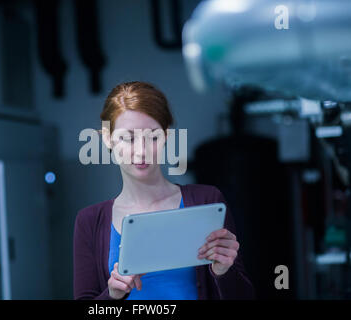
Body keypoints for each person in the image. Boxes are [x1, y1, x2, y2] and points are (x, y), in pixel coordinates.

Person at [73, 81, 255, 300]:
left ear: (167, 136)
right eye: (128, 138)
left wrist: (224, 272)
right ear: (107, 138)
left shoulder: (207, 200)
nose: (141, 151)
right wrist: (112, 295)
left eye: (152, 137)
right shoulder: (90, 221)